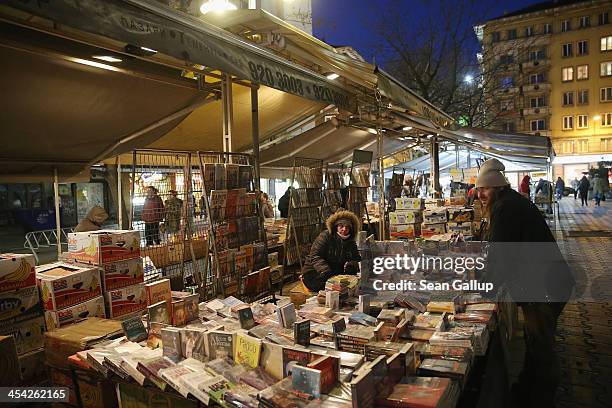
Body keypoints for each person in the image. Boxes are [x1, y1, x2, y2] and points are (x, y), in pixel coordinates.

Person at [476, 159, 574, 408]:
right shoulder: (509, 202)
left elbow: (501, 254)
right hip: (546, 283)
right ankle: (525, 392)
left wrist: (485, 289)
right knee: (534, 344)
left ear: (497, 187)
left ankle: (541, 399)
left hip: (544, 288)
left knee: (541, 348)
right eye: (478, 189)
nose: (481, 194)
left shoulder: (505, 208)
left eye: (485, 188)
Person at [301, 210, 361, 292]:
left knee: (347, 285)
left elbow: (356, 258)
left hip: (334, 272)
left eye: (347, 227)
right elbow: (315, 256)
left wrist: (352, 265)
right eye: (341, 226)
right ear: (336, 226)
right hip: (315, 270)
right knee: (322, 285)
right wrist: (326, 271)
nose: (344, 229)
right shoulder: (325, 236)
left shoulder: (350, 241)